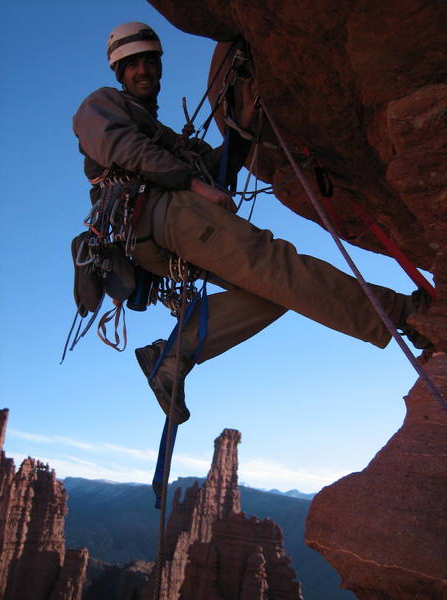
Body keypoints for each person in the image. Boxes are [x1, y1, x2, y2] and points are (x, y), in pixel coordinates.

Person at [73, 22, 430, 424]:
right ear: (118, 73)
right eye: (131, 64)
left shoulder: (166, 137)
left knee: (276, 290)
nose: (142, 70)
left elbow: (216, 173)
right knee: (279, 267)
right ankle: (405, 313)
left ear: (159, 66)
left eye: (149, 61)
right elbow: (125, 149)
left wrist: (241, 127)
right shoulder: (101, 104)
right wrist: (191, 183)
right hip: (161, 212)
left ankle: (174, 355)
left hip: (157, 235)